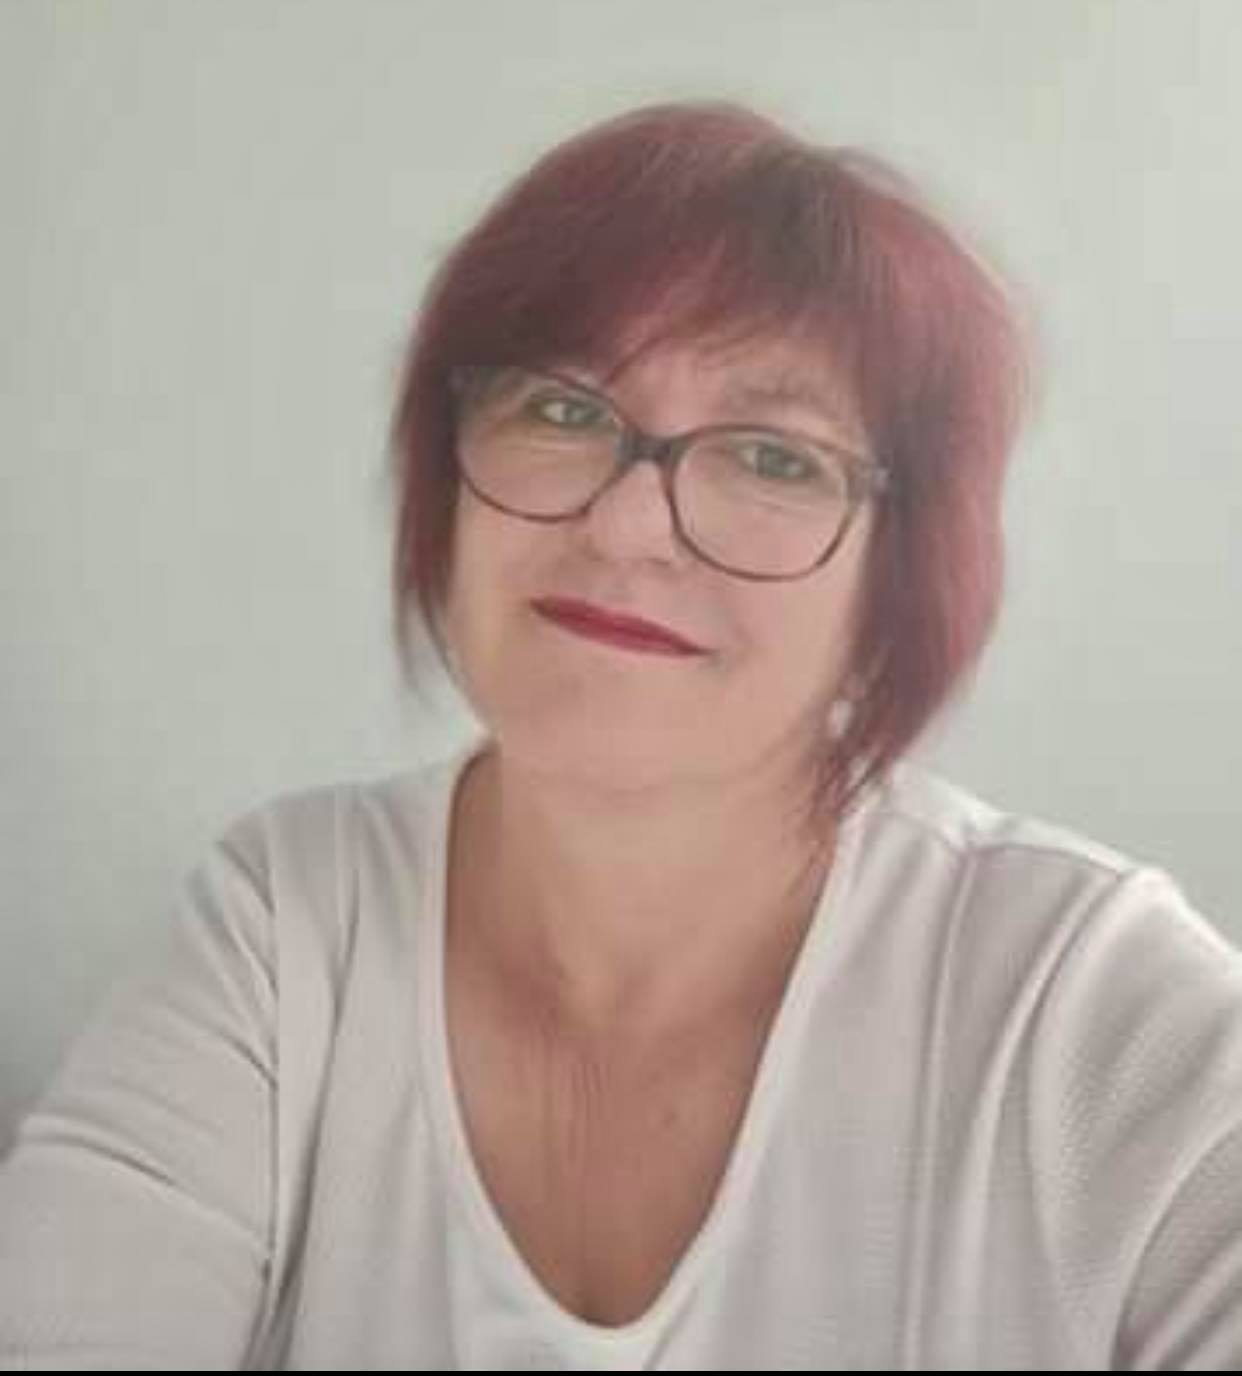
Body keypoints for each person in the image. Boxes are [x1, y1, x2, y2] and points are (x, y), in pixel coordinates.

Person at [2, 101, 1240, 1371]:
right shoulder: (291, 925)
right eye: (559, 409)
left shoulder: (1098, 1016)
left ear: (899, 578)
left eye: (773, 456)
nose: (629, 524)